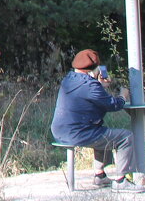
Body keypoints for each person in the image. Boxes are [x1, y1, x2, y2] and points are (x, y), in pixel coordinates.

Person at [50, 48, 136, 190]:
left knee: (100, 131)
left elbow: (89, 95)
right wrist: (123, 95)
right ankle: (121, 181)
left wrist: (100, 85)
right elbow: (113, 105)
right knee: (125, 137)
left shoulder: (68, 79)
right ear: (94, 69)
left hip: (59, 131)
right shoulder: (91, 85)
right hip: (77, 133)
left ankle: (100, 176)